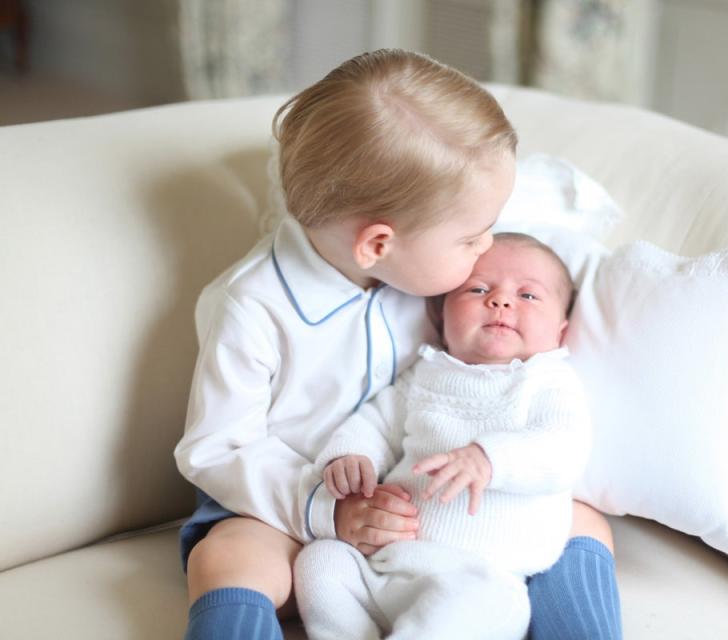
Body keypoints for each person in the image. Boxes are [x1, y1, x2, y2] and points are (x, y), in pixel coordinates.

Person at [174, 49, 621, 640]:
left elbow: (508, 218)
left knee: (583, 519)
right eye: (471, 237)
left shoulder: (429, 265)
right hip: (290, 507)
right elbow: (215, 449)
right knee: (227, 555)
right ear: (378, 244)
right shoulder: (252, 308)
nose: (486, 246)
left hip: (437, 506)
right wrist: (327, 509)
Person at [295, 233, 590, 639]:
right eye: (479, 289)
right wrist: (350, 455)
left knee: (489, 605)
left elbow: (565, 449)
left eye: (528, 296)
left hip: (482, 576)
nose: (501, 301)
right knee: (321, 561)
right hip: (387, 563)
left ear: (560, 331)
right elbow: (377, 422)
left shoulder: (548, 381)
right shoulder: (427, 373)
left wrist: (489, 458)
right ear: (441, 314)